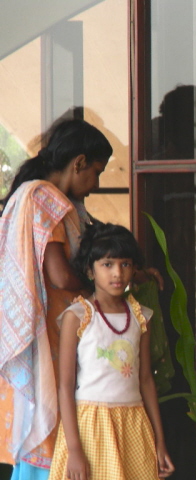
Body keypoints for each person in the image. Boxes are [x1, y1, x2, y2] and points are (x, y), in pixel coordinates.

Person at [0, 119, 111, 479]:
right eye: (95, 172)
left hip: (54, 334)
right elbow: (61, 276)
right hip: (50, 336)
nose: (95, 185)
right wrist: (107, 285)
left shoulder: (35, 194)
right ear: (78, 162)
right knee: (50, 441)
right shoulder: (45, 197)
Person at [49, 222, 174, 480]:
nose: (117, 273)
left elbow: (146, 380)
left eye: (125, 264)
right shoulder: (79, 316)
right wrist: (73, 449)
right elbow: (65, 386)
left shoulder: (141, 317)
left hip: (134, 423)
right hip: (90, 426)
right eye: (107, 264)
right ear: (90, 271)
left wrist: (160, 442)